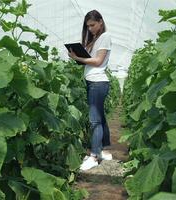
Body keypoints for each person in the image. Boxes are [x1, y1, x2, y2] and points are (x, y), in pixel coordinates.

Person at [68, 10, 112, 171]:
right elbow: (89, 59)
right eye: (88, 26)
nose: (91, 28)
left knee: (94, 121)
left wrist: (78, 58)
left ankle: (94, 156)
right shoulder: (95, 39)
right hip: (92, 82)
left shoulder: (105, 36)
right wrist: (77, 54)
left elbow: (98, 61)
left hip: (98, 83)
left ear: (100, 21)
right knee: (100, 117)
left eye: (93, 25)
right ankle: (103, 150)